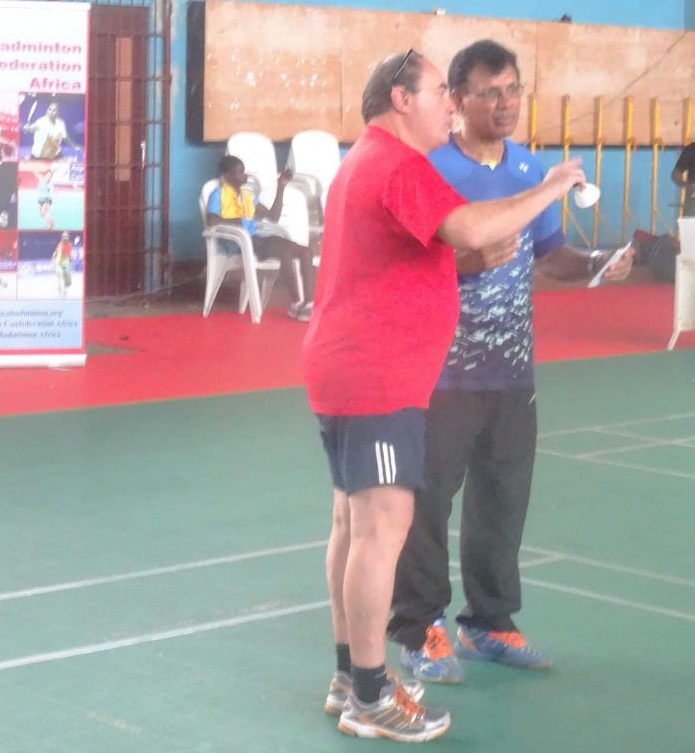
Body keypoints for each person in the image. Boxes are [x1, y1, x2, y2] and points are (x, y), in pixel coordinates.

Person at [302, 48, 586, 742]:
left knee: (352, 530)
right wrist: (552, 187)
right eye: (439, 92)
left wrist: (463, 257)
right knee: (380, 533)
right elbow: (473, 227)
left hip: (350, 367)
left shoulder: (367, 160)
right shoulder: (398, 164)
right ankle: (372, 694)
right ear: (402, 99)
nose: (450, 105)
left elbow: (423, 252)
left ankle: (349, 678)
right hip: (378, 374)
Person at [387, 40, 633, 684]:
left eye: (513, 90)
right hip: (440, 373)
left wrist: (598, 263)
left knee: (502, 500)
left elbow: (550, 256)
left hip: (512, 370)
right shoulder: (430, 168)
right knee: (427, 502)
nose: (504, 103)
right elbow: (406, 264)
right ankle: (419, 629)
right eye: (489, 92)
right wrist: (468, 260)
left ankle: (489, 622)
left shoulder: (530, 169)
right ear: (457, 100)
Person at [206, 156, 317, 321]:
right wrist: (234, 221)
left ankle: (308, 303)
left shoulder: (247, 196)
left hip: (257, 237)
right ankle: (296, 303)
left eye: (243, 172)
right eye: (239, 173)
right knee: (285, 253)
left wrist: (281, 187)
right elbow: (211, 220)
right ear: (227, 175)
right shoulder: (218, 194)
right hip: (240, 242)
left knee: (306, 251)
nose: (244, 176)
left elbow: (273, 217)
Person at [52, 232, 73, 296]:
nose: (65, 237)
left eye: (66, 236)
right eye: (63, 236)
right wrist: (55, 263)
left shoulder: (69, 245)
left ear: (68, 237)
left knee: (67, 280)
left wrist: (70, 259)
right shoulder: (60, 245)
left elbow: (69, 254)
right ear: (62, 237)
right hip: (58, 262)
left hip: (65, 263)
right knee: (60, 277)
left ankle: (63, 289)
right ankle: (60, 289)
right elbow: (58, 254)